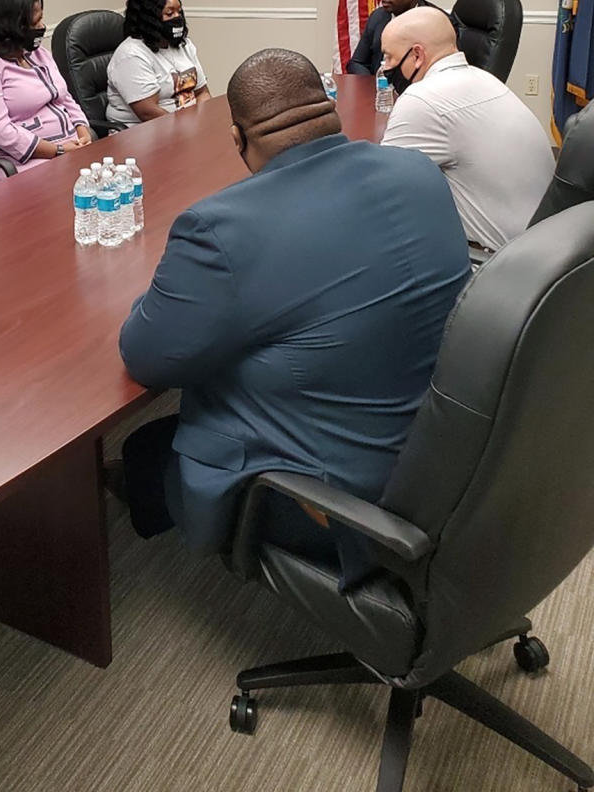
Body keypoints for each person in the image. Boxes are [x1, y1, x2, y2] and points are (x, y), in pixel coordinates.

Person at [117, 48, 469, 582]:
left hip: (343, 502)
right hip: (445, 456)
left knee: (144, 448)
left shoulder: (220, 229)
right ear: (330, 107)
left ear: (237, 140)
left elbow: (146, 356)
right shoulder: (417, 169)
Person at [380, 6, 554, 252]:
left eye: (388, 57)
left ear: (417, 55)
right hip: (546, 249)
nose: (384, 67)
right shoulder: (484, 79)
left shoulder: (423, 98)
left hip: (494, 265)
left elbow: (382, 191)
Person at [0, 0, 92, 184]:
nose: (42, 25)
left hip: (70, 151)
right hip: (23, 167)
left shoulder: (38, 54)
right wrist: (58, 150)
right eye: (35, 21)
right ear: (11, 26)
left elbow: (65, 98)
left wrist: (83, 132)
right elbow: (1, 132)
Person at [106, 0, 211, 125]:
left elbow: (202, 93)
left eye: (179, 12)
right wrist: (188, 129)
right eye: (169, 13)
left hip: (188, 126)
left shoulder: (184, 45)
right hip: (143, 134)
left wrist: (204, 121)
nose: (177, 17)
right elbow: (148, 112)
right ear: (149, 19)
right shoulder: (131, 55)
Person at [346, 0, 439, 76]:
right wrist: (375, 84)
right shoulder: (378, 17)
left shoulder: (437, 23)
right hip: (381, 90)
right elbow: (357, 63)